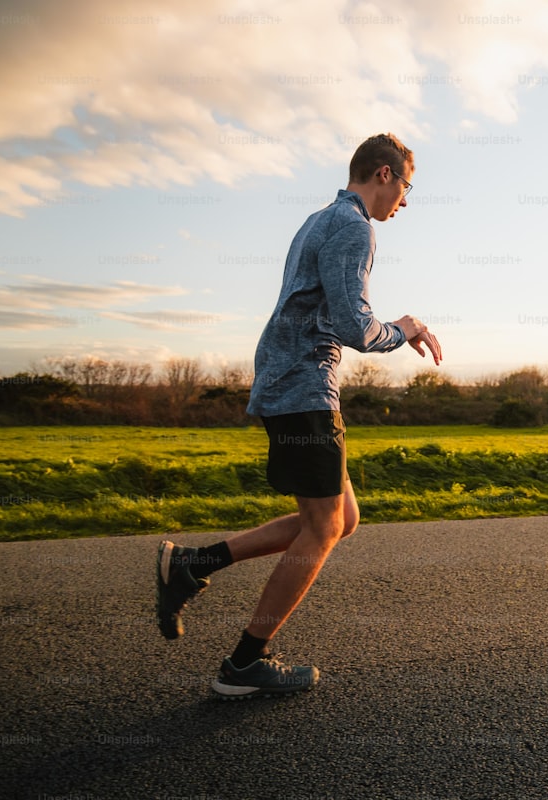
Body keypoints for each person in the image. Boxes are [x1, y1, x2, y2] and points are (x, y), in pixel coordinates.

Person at [155, 133, 441, 700]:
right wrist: (403, 328)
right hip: (303, 388)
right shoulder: (355, 226)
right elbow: (355, 328)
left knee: (342, 518)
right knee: (324, 526)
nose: (405, 201)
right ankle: (243, 665)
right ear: (383, 175)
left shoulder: (321, 218)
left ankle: (193, 564)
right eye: (407, 187)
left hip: (293, 381)